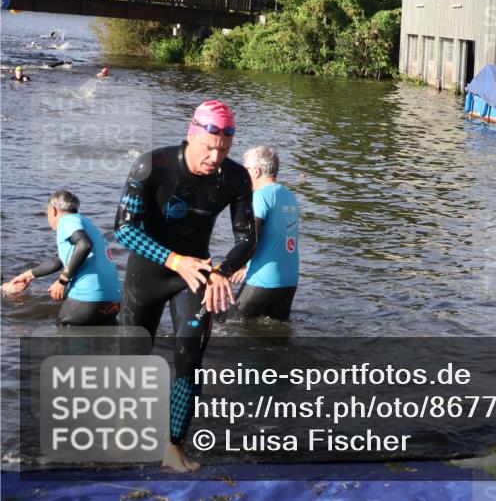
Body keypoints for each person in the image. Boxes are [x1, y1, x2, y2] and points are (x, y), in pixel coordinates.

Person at [114, 99, 255, 472]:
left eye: (223, 150)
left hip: (196, 274)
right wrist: (174, 259)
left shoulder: (236, 177)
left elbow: (247, 238)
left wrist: (223, 270)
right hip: (149, 272)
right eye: (209, 148)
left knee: (189, 361)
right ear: (192, 136)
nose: (215, 157)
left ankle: (173, 447)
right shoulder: (153, 165)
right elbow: (125, 229)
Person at [2, 190, 121, 325]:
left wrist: (62, 281)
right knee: (100, 343)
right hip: (113, 300)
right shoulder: (85, 222)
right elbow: (58, 261)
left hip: (89, 297)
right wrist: (27, 275)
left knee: (62, 339)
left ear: (53, 210)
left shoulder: (66, 221)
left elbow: (84, 245)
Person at [230, 146, 300, 321]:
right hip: (289, 280)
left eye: (245, 169)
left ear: (256, 171)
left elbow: (251, 237)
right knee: (276, 337)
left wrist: (239, 265)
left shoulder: (260, 196)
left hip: (264, 278)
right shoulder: (289, 195)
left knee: (229, 324)